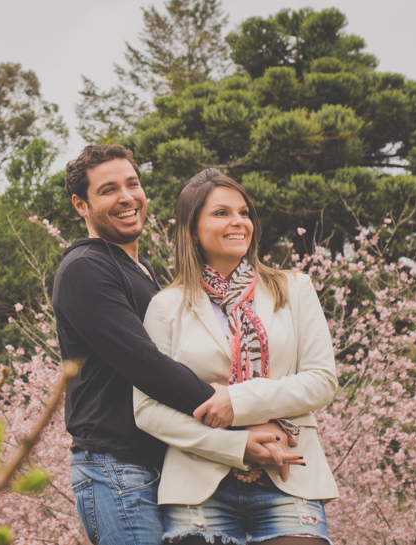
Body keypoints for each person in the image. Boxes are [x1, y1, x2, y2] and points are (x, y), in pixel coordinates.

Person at [53, 146, 297, 545]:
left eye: (133, 184)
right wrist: (235, 411)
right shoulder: (85, 268)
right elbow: (145, 363)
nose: (127, 197)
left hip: (159, 464)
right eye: (109, 190)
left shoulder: (142, 268)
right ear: (81, 204)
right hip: (117, 468)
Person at [134, 168, 339, 544]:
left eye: (244, 213)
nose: (238, 222)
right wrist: (236, 445)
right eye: (221, 213)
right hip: (199, 485)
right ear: (192, 230)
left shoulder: (294, 289)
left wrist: (237, 401)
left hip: (290, 475)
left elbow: (322, 381)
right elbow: (147, 409)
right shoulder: (165, 307)